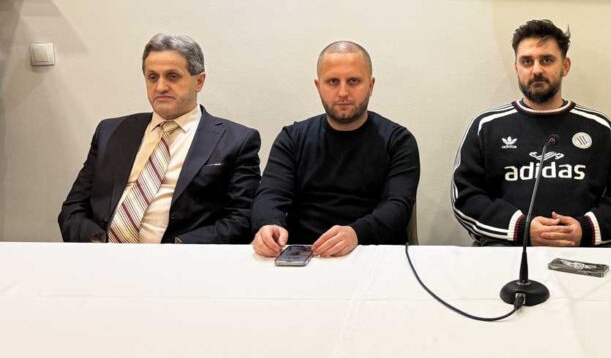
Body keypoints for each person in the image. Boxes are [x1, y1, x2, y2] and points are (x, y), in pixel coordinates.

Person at [451, 19, 611, 247]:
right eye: (527, 61)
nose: (536, 70)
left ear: (565, 66)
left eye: (547, 60)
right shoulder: (487, 127)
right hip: (506, 251)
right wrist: (521, 228)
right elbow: (465, 197)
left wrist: (586, 229)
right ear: (516, 68)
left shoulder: (599, 128)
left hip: (584, 252)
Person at [58, 34, 261, 244]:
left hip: (181, 258)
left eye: (172, 76)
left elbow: (240, 220)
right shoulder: (110, 131)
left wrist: (173, 251)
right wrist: (98, 243)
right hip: (102, 253)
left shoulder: (236, 141)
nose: (161, 87)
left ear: (199, 81)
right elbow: (74, 208)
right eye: (152, 77)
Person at [251, 41, 419, 258]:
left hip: (373, 253)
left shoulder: (398, 141)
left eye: (353, 81)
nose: (343, 92)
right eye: (332, 82)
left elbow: (398, 207)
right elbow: (271, 194)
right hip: (304, 254)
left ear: (371, 85)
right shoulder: (292, 138)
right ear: (318, 86)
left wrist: (356, 233)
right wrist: (268, 225)